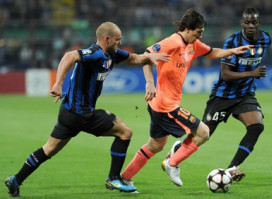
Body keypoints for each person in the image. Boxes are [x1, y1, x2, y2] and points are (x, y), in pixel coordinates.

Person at [4, 22, 170, 197]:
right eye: (118, 40)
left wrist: (149, 58)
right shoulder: (95, 53)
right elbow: (69, 56)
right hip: (81, 112)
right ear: (107, 39)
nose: (120, 43)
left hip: (68, 113)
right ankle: (114, 178)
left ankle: (16, 179)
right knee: (125, 132)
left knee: (50, 148)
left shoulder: (111, 54)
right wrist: (59, 83)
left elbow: (133, 59)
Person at [120, 8, 252, 189]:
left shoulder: (193, 45)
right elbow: (146, 56)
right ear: (188, 29)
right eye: (198, 32)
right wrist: (149, 83)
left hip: (161, 104)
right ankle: (172, 163)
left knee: (156, 145)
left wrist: (234, 51)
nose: (200, 37)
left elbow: (212, 52)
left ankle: (125, 178)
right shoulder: (172, 42)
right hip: (167, 105)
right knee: (203, 132)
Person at [166, 7, 271, 182]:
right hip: (223, 95)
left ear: (259, 23)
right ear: (242, 23)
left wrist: (250, 75)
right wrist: (251, 73)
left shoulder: (266, 39)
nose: (251, 25)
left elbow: (254, 55)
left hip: (245, 95)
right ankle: (175, 153)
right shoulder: (232, 41)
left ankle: (231, 168)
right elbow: (226, 75)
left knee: (256, 126)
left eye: (254, 22)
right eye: (247, 22)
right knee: (203, 134)